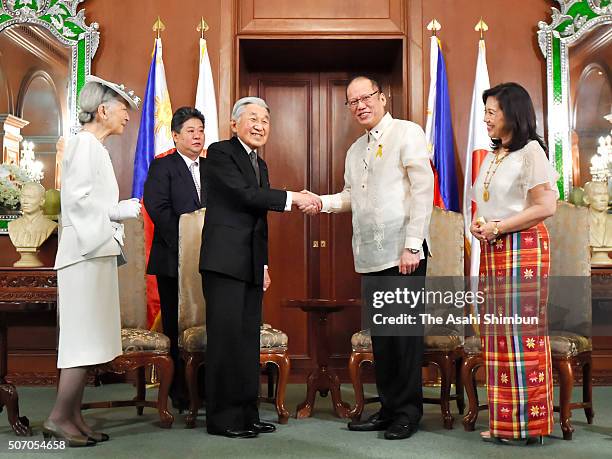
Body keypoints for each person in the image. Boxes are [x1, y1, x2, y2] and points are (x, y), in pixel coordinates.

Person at [302, 75, 434, 440]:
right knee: (383, 338)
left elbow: (424, 190)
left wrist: (413, 244)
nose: (360, 105)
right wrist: (321, 203)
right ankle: (389, 408)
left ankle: (408, 412)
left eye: (366, 97)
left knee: (404, 338)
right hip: (371, 255)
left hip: (403, 253)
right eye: (353, 101)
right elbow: (349, 196)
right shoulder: (355, 150)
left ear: (382, 97)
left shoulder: (408, 133)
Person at [199, 96, 319, 438]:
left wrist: (263, 263)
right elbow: (244, 196)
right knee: (225, 343)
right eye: (252, 118)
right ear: (234, 123)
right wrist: (293, 197)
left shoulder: (260, 163)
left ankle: (247, 414)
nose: (259, 125)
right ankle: (223, 419)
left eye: (265, 120)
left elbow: (258, 221)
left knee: (247, 342)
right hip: (223, 263)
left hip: (250, 264)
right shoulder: (220, 152)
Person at [46, 75, 141, 447]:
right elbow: (78, 204)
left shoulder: (93, 147)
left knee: (89, 340)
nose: (127, 118)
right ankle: (58, 417)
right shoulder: (84, 144)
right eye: (122, 110)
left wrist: (116, 213)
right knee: (81, 341)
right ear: (102, 110)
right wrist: (120, 211)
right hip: (83, 256)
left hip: (93, 253)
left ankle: (72, 415)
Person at [470, 82, 558, 444]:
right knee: (499, 337)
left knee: (522, 335)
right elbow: (490, 204)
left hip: (523, 248)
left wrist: (498, 226)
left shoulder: (531, 151)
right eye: (486, 110)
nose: (487, 117)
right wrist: (481, 225)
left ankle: (531, 424)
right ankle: (506, 422)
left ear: (513, 113)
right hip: (494, 249)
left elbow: (545, 206)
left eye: (493, 111)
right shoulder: (494, 155)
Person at [143, 107, 206, 409]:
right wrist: (186, 242)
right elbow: (158, 208)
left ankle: (204, 389)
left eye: (201, 130)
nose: (197, 136)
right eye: (191, 130)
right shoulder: (162, 167)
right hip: (172, 258)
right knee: (175, 326)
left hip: (208, 261)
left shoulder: (211, 167)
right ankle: (178, 392)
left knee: (204, 325)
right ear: (176, 135)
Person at [8, 181, 57, 262]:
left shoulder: (50, 225)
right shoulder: (12, 225)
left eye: (30, 197)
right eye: (23, 197)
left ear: (42, 201)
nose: (25, 202)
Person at [583, 180, 612, 265]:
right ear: (586, 199)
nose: (603, 199)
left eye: (605, 194)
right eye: (598, 194)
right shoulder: (579, 223)